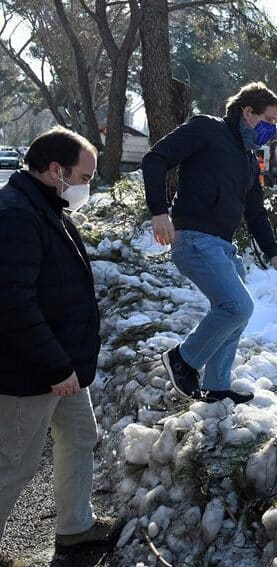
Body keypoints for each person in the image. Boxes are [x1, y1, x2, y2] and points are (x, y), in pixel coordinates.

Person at [0, 127, 122, 566]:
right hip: (29, 370)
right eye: (85, 177)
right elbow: (12, 301)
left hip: (60, 362)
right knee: (12, 464)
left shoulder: (44, 205)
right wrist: (54, 365)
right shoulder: (15, 214)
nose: (88, 185)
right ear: (56, 170)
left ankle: (74, 527)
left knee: (79, 435)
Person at [142, 81, 277, 405]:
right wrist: (158, 212)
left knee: (237, 313)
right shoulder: (207, 129)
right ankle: (184, 359)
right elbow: (155, 159)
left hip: (222, 245)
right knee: (237, 306)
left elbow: (255, 212)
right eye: (269, 121)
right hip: (194, 239)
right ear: (248, 112)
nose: (273, 129)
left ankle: (216, 387)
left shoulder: (249, 159)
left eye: (276, 124)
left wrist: (273, 253)